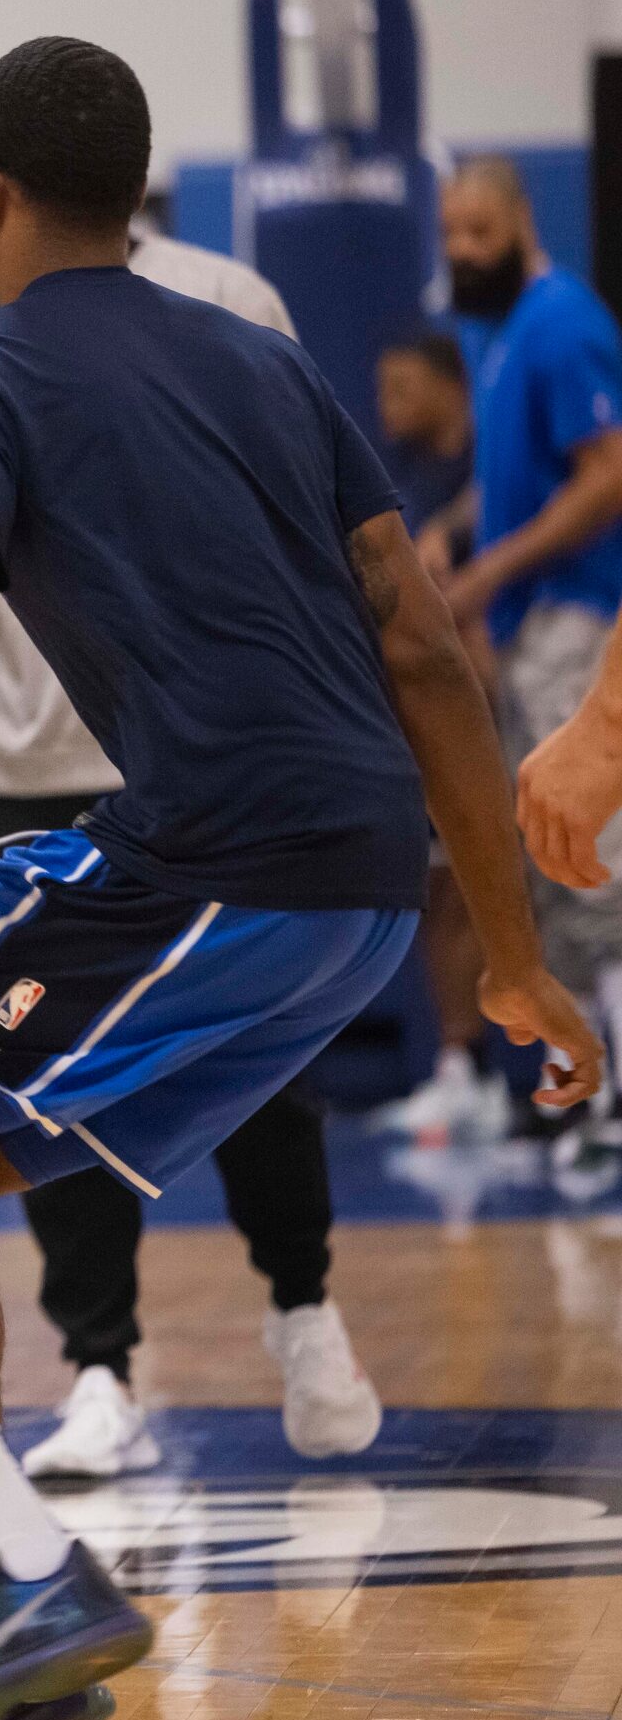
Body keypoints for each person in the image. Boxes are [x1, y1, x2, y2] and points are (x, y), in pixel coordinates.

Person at [0, 38, 599, 1720]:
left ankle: (17, 1580)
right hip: (354, 904)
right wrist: (518, 953)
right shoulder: (266, 363)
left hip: (212, 863)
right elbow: (424, 651)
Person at [0, 231, 380, 1484]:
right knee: (32, 1079)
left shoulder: (230, 305)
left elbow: (310, 542)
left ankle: (304, 1312)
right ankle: (99, 1372)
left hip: (209, 760)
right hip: (36, 770)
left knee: (264, 1066)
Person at [438, 158, 622, 1162]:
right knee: (552, 867)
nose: (460, 252)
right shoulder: (493, 332)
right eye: (448, 233)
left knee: (593, 866)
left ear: (518, 223)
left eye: (477, 232)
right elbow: (516, 477)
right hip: (524, 622)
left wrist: (490, 568)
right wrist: (449, 533)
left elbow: (605, 477)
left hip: (581, 619)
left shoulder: (561, 325)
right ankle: (585, 1089)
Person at [371, 329, 511, 1142]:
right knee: (437, 889)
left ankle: (521, 1072)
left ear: (447, 380)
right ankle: (465, 1066)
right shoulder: (409, 475)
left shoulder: (491, 463)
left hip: (495, 700)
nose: (386, 403)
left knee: (483, 887)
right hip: (425, 712)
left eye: (400, 384)